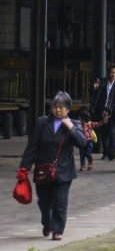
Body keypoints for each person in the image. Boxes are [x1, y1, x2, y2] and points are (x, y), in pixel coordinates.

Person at [20, 92, 87, 240]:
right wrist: (24, 168)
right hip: (43, 170)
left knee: (60, 201)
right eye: (55, 107)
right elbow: (32, 146)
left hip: (63, 171)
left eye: (61, 107)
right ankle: (47, 223)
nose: (57, 110)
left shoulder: (73, 124)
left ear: (68, 109)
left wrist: (71, 128)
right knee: (43, 201)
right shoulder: (42, 123)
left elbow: (83, 142)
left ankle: (58, 229)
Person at [91, 65, 115, 161]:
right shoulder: (103, 82)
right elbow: (94, 95)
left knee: (112, 132)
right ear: (108, 72)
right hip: (102, 110)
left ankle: (111, 152)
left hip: (113, 111)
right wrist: (94, 89)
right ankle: (106, 152)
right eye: (112, 72)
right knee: (104, 133)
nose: (113, 75)